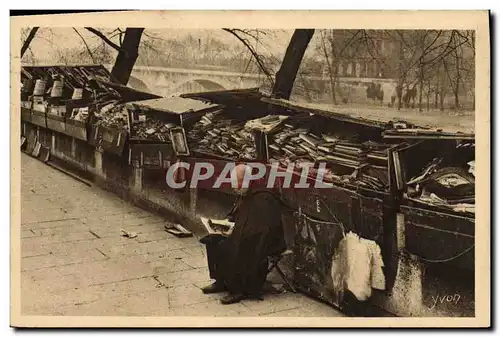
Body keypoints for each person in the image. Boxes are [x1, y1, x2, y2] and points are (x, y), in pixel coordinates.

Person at [199, 164, 287, 305]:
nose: (235, 188)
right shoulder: (246, 192)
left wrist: (240, 233)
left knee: (239, 245)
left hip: (265, 240)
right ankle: (220, 281)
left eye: (237, 184)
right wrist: (225, 224)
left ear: (246, 180)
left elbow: (266, 229)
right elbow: (236, 215)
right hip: (245, 233)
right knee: (213, 240)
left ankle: (239, 290)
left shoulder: (264, 196)